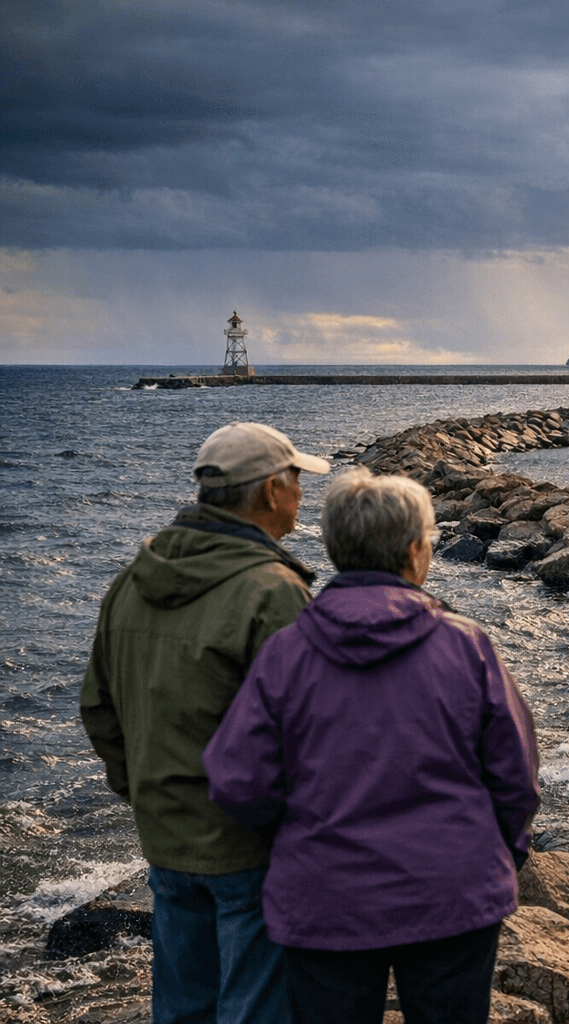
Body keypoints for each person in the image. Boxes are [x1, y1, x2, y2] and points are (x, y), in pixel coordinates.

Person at [204, 467, 541, 1024]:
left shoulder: (288, 653)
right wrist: (501, 852)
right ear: (415, 551)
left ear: (338, 549)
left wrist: (296, 837)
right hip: (452, 891)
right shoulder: (465, 646)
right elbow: (516, 776)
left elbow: (238, 781)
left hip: (324, 897)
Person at [81, 421, 332, 1023]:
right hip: (250, 843)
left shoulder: (130, 582)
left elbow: (98, 706)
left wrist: (144, 788)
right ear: (271, 492)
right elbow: (312, 731)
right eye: (297, 478)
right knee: (257, 1008)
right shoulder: (272, 592)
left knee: (181, 1006)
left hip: (166, 833)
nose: (303, 491)